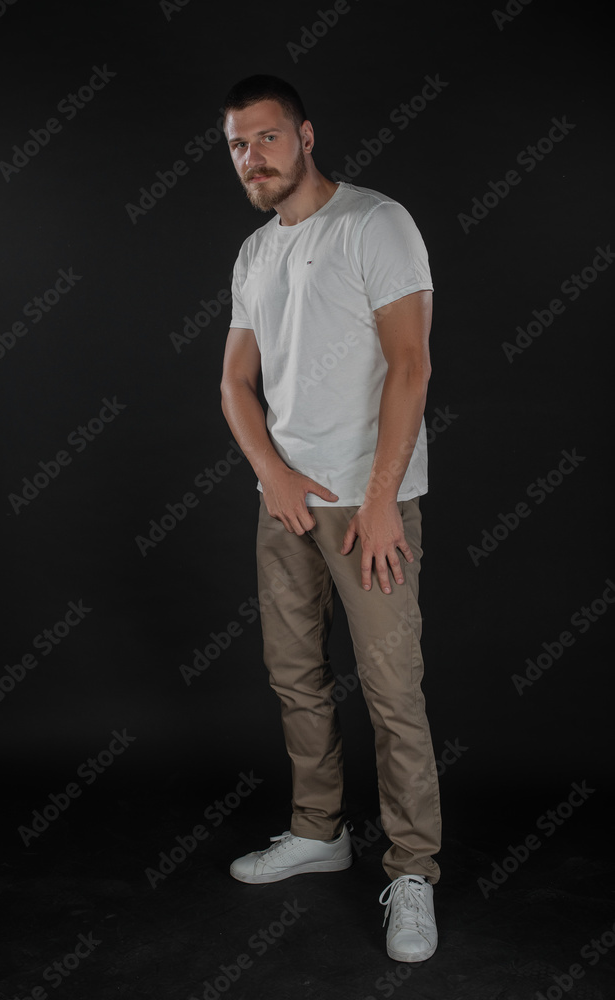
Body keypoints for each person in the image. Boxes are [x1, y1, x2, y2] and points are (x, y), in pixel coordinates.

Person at [219, 74, 441, 963]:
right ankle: (320, 830)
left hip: (368, 506)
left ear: (306, 136)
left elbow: (411, 366)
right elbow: (234, 384)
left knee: (392, 691)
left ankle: (414, 870)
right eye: (238, 145)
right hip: (287, 505)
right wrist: (272, 474)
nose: (253, 157)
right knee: (295, 677)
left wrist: (382, 501)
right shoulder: (254, 253)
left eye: (266, 137)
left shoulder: (374, 223)